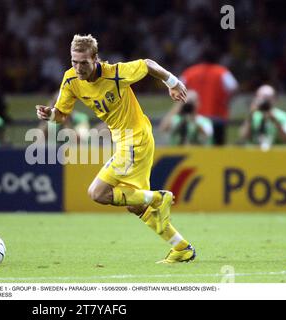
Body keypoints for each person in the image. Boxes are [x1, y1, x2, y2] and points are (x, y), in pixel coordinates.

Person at [36, 34, 195, 264]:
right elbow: (61, 115)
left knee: (97, 193)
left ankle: (158, 198)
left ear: (95, 58)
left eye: (83, 62)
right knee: (134, 204)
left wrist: (173, 82)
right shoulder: (71, 80)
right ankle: (181, 247)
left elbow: (148, 64)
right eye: (74, 61)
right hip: (125, 141)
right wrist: (49, 114)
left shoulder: (116, 73)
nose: (78, 67)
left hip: (135, 138)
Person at [180, 47, 238, 145]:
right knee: (218, 149)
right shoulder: (222, 72)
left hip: (195, 117)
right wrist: (226, 101)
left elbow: (178, 87)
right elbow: (234, 87)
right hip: (217, 116)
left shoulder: (190, 72)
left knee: (193, 144)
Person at [240, 85, 286, 150]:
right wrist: (250, 115)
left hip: (276, 155)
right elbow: (244, 136)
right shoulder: (253, 116)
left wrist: (274, 120)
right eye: (262, 98)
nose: (264, 101)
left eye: (267, 98)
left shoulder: (283, 117)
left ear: (275, 99)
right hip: (254, 154)